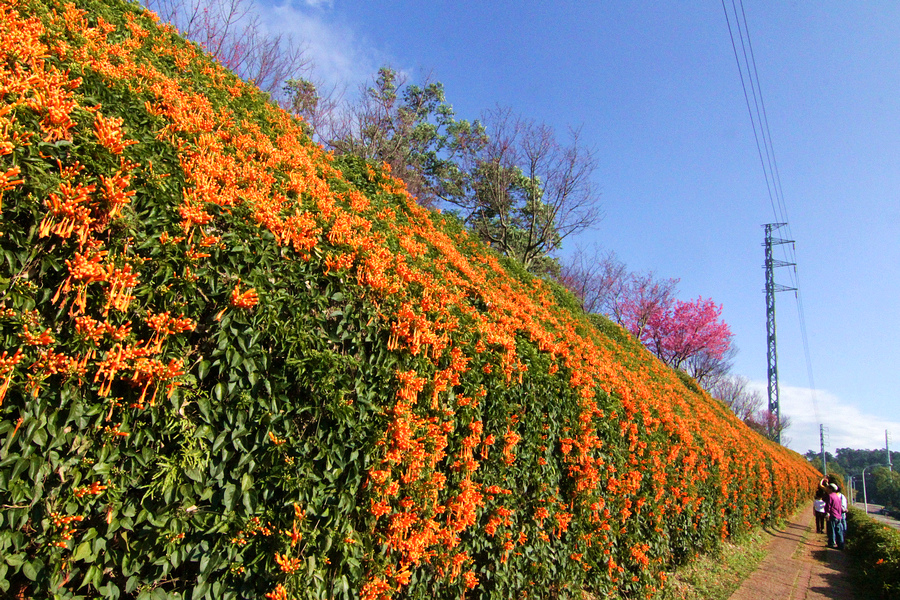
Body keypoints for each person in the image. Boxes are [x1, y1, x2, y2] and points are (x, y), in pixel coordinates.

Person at [824, 482, 845, 549]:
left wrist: (827, 513)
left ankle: (832, 543)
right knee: (839, 531)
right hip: (838, 516)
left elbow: (828, 506)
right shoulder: (837, 496)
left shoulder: (830, 496)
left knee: (831, 530)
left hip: (832, 515)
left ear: (830, 489)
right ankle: (840, 545)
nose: (826, 489)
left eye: (828, 488)